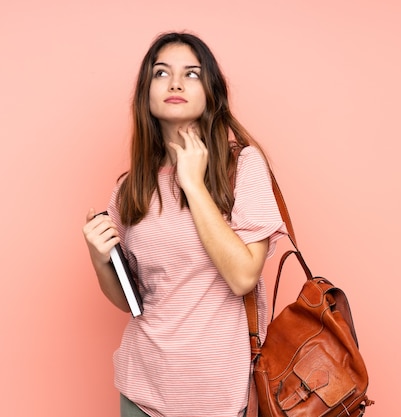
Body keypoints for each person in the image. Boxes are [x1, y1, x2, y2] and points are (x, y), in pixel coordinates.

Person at [83, 31, 287, 417]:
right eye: (162, 73)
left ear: (211, 91)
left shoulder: (242, 165)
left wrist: (192, 184)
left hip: (220, 397)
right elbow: (133, 303)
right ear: (146, 93)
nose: (175, 82)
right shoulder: (131, 187)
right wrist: (100, 261)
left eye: (191, 74)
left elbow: (244, 276)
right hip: (142, 389)